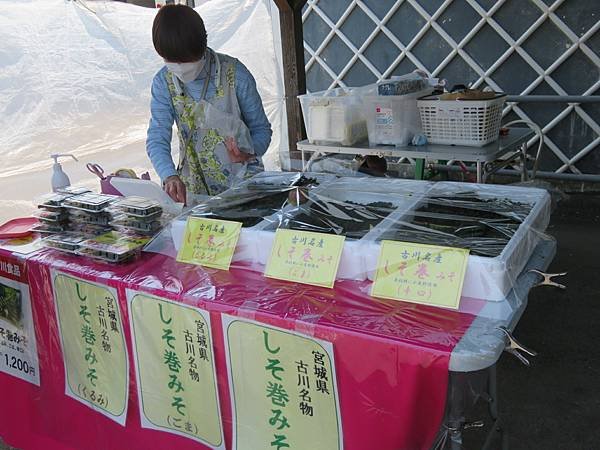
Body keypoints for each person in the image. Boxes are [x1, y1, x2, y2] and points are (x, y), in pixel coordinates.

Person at [146, 4, 272, 205]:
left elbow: (262, 130)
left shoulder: (235, 75)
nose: (179, 67)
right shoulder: (164, 82)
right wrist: (169, 176)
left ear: (202, 46)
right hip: (193, 192)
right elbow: (157, 136)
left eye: (186, 60)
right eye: (171, 61)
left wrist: (249, 152)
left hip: (244, 190)